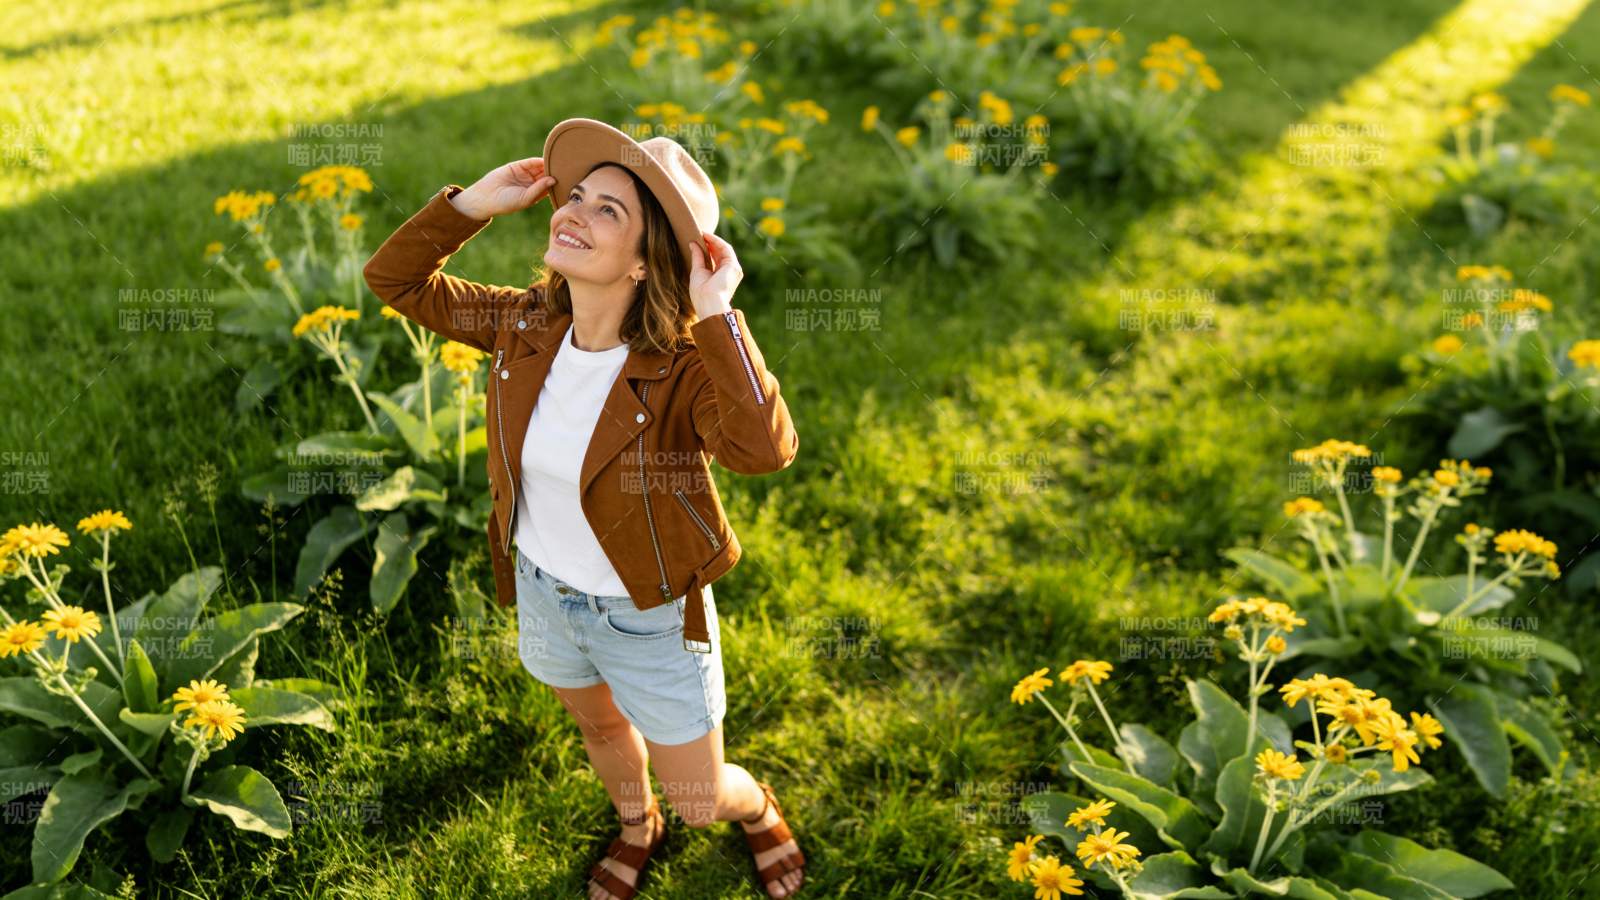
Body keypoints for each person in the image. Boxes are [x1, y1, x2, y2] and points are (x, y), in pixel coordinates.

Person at [362, 119, 805, 899]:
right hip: (544, 589)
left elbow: (763, 449)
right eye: (577, 196)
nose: (572, 212)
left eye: (609, 211)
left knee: (700, 800)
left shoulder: (684, 370)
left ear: (645, 262)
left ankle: (754, 806)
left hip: (650, 613)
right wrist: (469, 208)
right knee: (601, 730)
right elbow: (394, 281)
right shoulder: (525, 326)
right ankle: (638, 827)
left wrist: (718, 316)